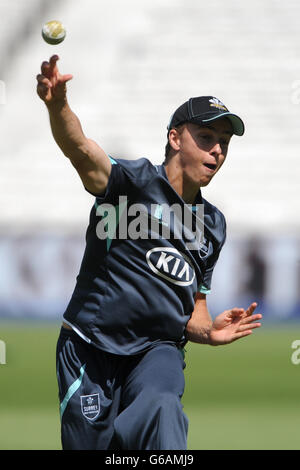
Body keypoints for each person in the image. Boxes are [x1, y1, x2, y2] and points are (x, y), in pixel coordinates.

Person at [36, 55, 262, 450]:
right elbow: (80, 150)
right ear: (175, 138)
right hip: (89, 347)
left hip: (157, 352)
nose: (217, 152)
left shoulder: (213, 224)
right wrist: (58, 105)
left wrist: (208, 331)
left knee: (162, 409)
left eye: (223, 144)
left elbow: (195, 308)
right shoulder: (132, 183)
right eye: (206, 138)